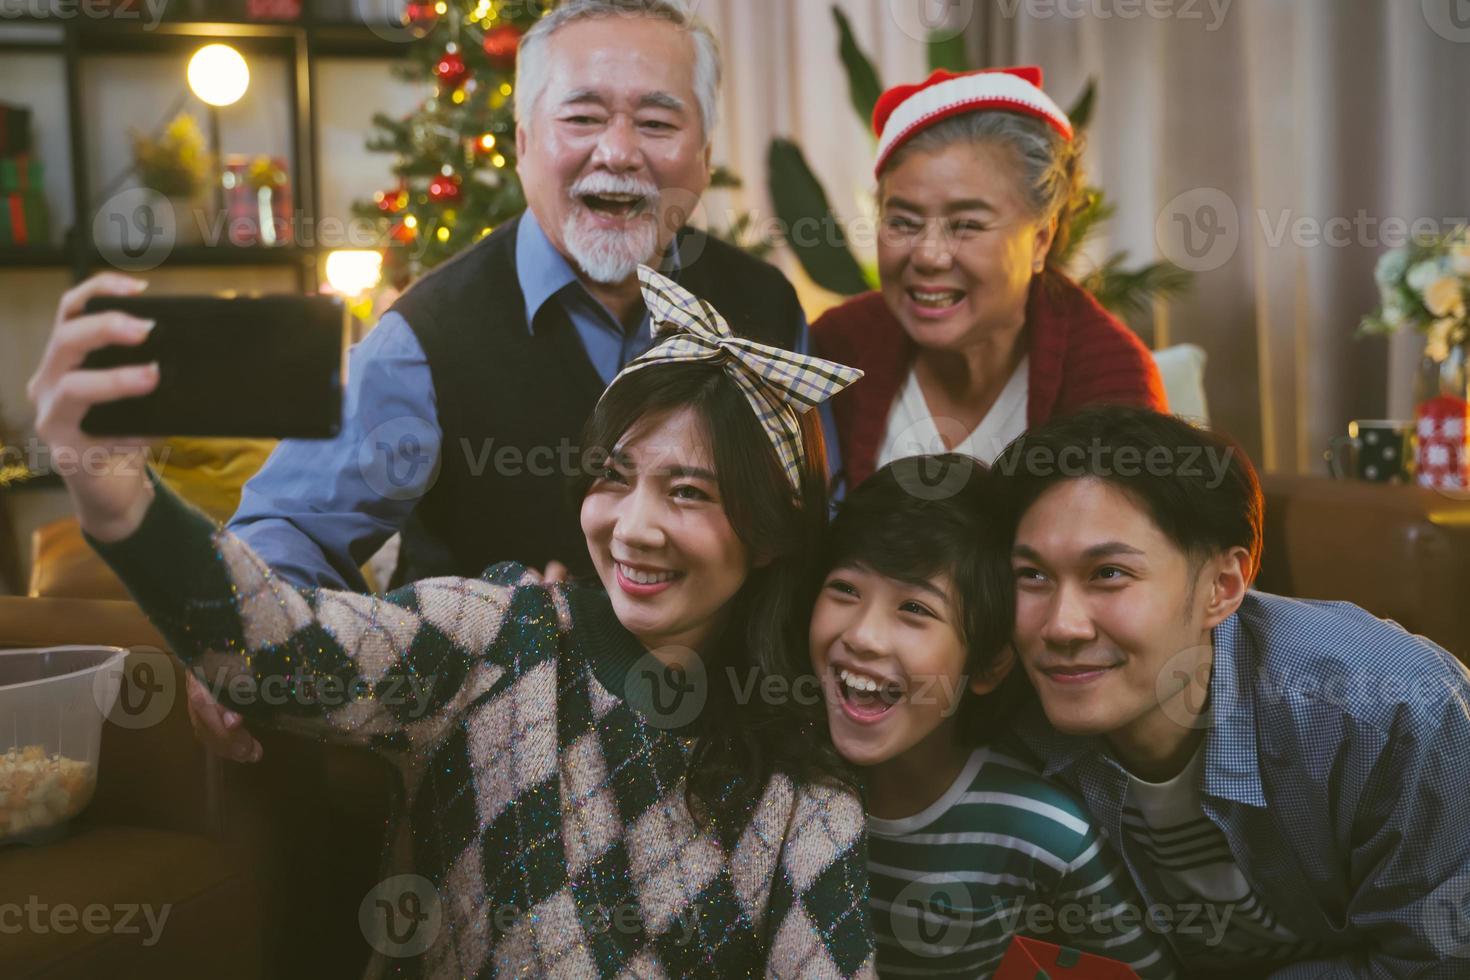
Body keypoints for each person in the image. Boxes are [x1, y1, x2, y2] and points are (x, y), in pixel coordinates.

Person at [28, 266, 876, 977]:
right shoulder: (497, 636)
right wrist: (118, 496)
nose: (634, 525)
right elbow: (281, 649)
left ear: (768, 533)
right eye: (614, 477)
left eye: (688, 491)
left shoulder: (807, 792)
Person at [120, 0, 822, 762]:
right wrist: (240, 642)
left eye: (657, 123)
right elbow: (287, 529)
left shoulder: (766, 308)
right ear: (522, 144)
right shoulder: (424, 338)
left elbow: (809, 525)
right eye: (582, 118)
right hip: (497, 767)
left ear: (705, 153)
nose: (619, 152)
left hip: (729, 746)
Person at [991, 405, 1470, 977]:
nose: (1061, 626)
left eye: (1109, 574)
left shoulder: (1390, 714)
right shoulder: (1000, 704)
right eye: (1033, 576)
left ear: (1222, 586)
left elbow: (1436, 962)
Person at [808, 456, 1177, 978]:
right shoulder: (777, 783)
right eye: (845, 588)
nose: (863, 635)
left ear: (987, 664)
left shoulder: (1041, 832)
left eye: (915, 609)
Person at [810, 67, 1167, 489]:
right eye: (903, 222)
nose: (928, 256)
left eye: (967, 225)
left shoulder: (1111, 382)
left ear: (1040, 240)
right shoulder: (835, 349)